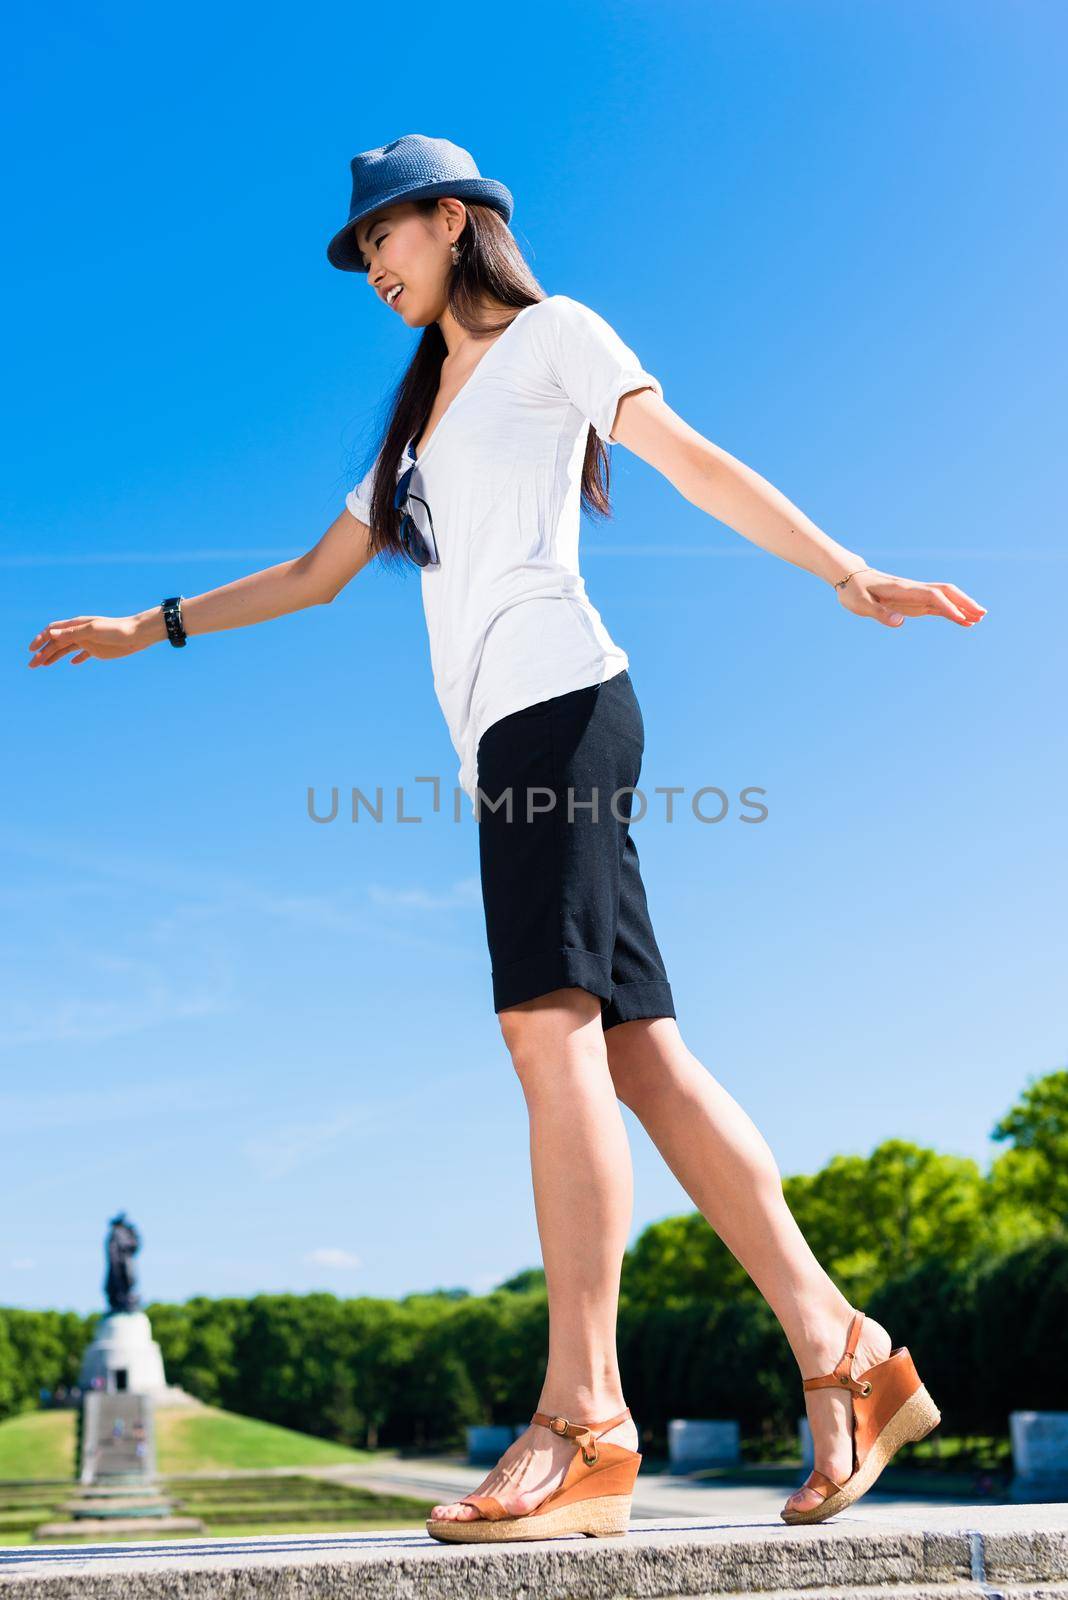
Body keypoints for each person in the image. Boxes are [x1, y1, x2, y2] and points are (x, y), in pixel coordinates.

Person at [26, 134, 987, 1541]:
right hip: (508, 748)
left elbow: (690, 458)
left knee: (548, 1035)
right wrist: (145, 627)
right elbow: (314, 574)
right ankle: (846, 1346)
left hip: (563, 709)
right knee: (642, 1060)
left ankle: (586, 1417)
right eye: (359, 257)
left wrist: (848, 571)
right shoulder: (413, 422)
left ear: (455, 220)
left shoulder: (554, 338)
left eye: (384, 242)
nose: (371, 271)